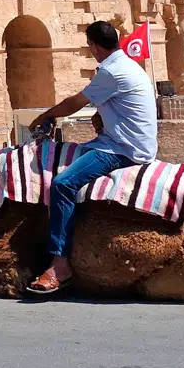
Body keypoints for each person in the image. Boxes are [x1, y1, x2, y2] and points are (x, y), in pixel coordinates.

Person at [26, 20, 158, 296]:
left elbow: (75, 102)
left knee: (62, 183)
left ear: (94, 46)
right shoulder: (129, 65)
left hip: (122, 149)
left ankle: (60, 264)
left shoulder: (110, 71)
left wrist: (45, 115)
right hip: (123, 140)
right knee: (67, 155)